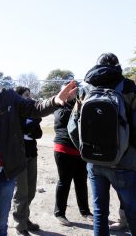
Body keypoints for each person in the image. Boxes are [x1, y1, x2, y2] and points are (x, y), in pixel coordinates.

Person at [0, 51, 77, 236]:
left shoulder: (6, 96)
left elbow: (34, 108)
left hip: (5, 174)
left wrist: (55, 101)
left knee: (0, 226)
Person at [71, 52, 136, 236]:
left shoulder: (85, 89)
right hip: (124, 161)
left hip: (94, 162)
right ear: (117, 65)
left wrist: (85, 150)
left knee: (100, 213)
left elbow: (73, 127)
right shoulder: (130, 87)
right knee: (134, 214)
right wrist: (135, 153)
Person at [52, 83, 93, 226]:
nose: (72, 92)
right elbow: (62, 121)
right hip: (63, 149)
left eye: (74, 89)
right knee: (65, 182)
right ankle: (59, 213)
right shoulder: (59, 104)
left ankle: (85, 211)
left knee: (81, 182)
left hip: (80, 151)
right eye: (68, 89)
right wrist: (78, 107)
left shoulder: (81, 103)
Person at [12, 86, 42, 236]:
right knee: (21, 193)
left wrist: (33, 123)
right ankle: (20, 226)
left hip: (32, 154)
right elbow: (18, 131)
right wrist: (30, 125)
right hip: (19, 156)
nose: (29, 98)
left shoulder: (33, 114)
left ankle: (25, 218)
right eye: (26, 95)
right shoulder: (14, 113)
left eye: (30, 94)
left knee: (30, 191)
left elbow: (38, 134)